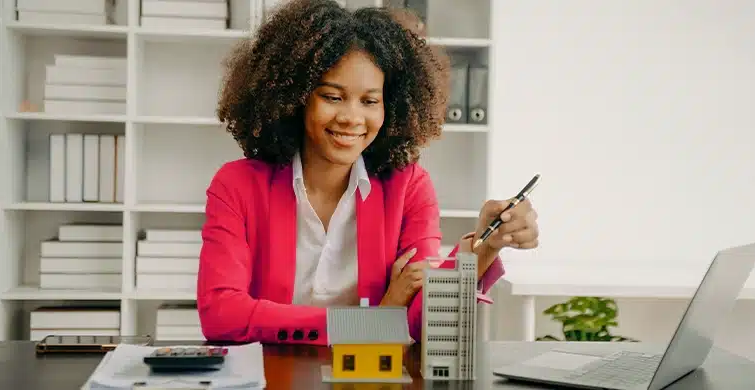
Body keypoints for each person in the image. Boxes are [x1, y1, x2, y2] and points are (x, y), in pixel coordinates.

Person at [196, 0, 539, 346]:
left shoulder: (409, 187)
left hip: (371, 370)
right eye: (332, 97)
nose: (351, 118)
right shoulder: (237, 185)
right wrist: (370, 322)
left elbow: (421, 320)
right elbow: (222, 314)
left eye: (370, 101)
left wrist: (483, 249)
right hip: (268, 370)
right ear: (295, 98)